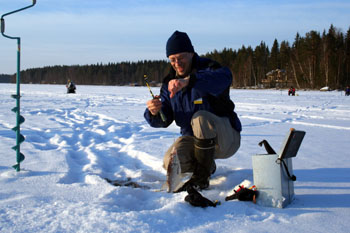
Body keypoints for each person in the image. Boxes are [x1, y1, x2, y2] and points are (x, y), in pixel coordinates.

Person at [144, 30, 242, 192]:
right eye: (173, 59)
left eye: (182, 57)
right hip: (193, 139)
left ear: (191, 53)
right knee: (171, 161)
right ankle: (207, 164)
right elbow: (165, 119)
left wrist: (188, 81)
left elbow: (224, 78)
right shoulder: (169, 83)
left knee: (200, 118)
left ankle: (201, 178)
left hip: (225, 138)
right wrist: (155, 112)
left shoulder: (210, 69)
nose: (177, 63)